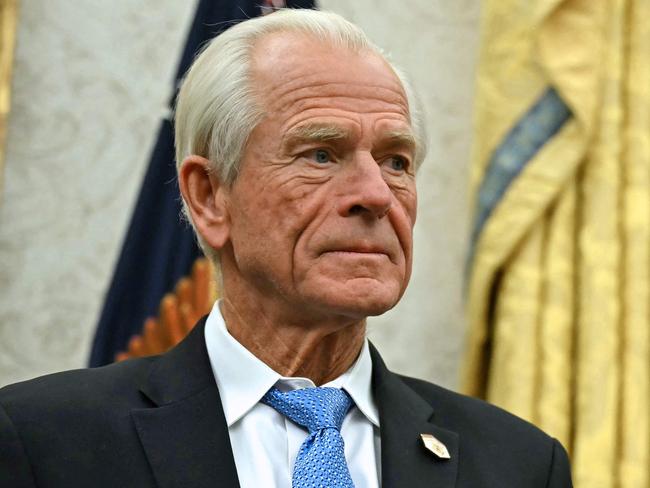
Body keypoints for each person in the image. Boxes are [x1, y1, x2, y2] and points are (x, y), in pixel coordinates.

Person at [0, 9, 572, 488]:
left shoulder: (519, 465)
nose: (376, 194)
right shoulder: (40, 443)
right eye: (321, 154)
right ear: (209, 196)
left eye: (396, 160)